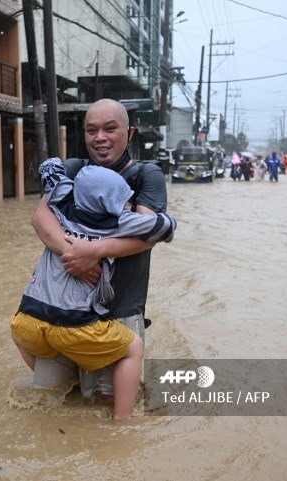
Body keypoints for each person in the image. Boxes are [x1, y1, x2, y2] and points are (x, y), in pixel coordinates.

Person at [12, 158, 176, 419]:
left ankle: (69, 386)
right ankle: (122, 423)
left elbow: (48, 168)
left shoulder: (62, 202)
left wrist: (67, 177)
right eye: (123, 199)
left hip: (26, 322)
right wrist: (139, 214)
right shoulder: (116, 222)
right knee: (133, 347)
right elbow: (164, 228)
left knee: (38, 349)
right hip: (73, 325)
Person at [30, 98, 169, 406]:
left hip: (119, 308)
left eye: (110, 128)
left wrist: (94, 251)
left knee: (107, 402)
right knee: (50, 397)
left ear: (130, 134)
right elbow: (40, 218)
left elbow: (146, 234)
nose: (100, 137)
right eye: (91, 130)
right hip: (63, 309)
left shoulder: (146, 175)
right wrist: (75, 255)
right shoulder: (73, 169)